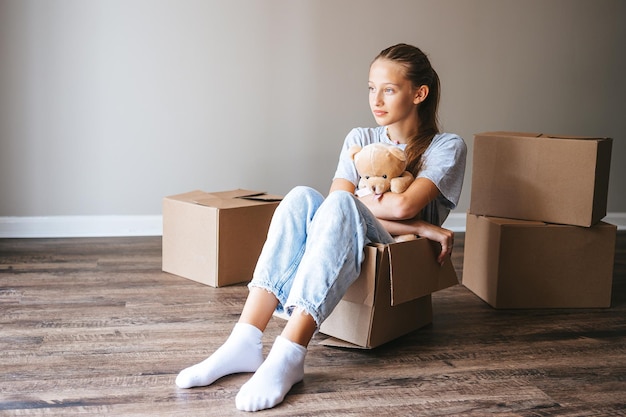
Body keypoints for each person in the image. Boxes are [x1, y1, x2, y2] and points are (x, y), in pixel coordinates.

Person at [175, 43, 467, 412]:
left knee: (343, 203)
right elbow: (335, 204)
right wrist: (423, 226)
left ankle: (290, 352)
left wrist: (405, 220)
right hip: (363, 238)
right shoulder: (360, 138)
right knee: (299, 197)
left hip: (396, 252)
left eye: (389, 89)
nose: (376, 99)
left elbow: (402, 203)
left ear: (419, 93)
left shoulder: (446, 146)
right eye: (371, 88)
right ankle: (244, 340)